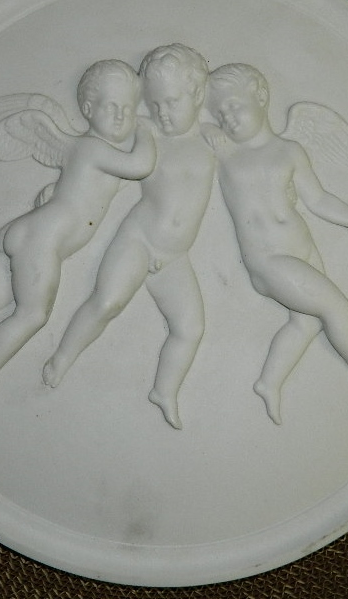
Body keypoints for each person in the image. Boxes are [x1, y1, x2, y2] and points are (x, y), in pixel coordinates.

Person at [0, 59, 156, 414]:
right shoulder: (92, 148)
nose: (121, 115)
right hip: (41, 241)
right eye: (111, 106)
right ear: (87, 110)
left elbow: (95, 186)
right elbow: (141, 165)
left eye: (128, 108)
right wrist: (145, 130)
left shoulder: (88, 154)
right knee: (33, 315)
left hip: (28, 232)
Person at [205, 63, 348, 425]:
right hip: (269, 260)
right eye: (219, 113)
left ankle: (269, 382)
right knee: (337, 306)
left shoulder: (290, 150)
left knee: (307, 324)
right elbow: (179, 129)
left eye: (233, 106)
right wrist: (207, 127)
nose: (226, 117)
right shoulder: (225, 152)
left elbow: (318, 199)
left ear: (261, 96)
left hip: (303, 251)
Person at [43, 43, 216, 430]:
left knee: (190, 328)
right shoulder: (147, 134)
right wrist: (59, 192)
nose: (162, 112)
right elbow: (103, 169)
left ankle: (164, 390)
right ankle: (62, 357)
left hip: (174, 257)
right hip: (139, 239)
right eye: (154, 104)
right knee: (108, 302)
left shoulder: (211, 140)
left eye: (172, 102)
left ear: (197, 95)